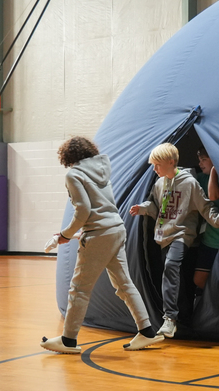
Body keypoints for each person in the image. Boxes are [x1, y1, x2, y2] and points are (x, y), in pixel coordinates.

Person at [42, 136, 163, 354]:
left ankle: (68, 341)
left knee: (79, 289)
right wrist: (78, 233)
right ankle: (146, 332)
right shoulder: (101, 170)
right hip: (116, 229)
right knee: (125, 285)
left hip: (99, 235)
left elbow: (84, 211)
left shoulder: (74, 174)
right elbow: (101, 209)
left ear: (68, 156)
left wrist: (65, 235)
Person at [129, 143, 219, 338]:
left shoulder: (189, 183)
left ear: (171, 162)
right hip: (163, 235)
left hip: (181, 234)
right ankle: (183, 319)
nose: (155, 169)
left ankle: (170, 318)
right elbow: (155, 206)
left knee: (171, 265)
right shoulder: (159, 184)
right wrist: (142, 208)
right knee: (176, 277)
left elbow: (205, 206)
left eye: (157, 165)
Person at [193, 148, 219, 292]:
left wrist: (214, 171)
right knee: (199, 279)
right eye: (199, 160)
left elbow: (214, 196)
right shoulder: (200, 178)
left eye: (204, 160)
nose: (200, 164)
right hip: (210, 237)